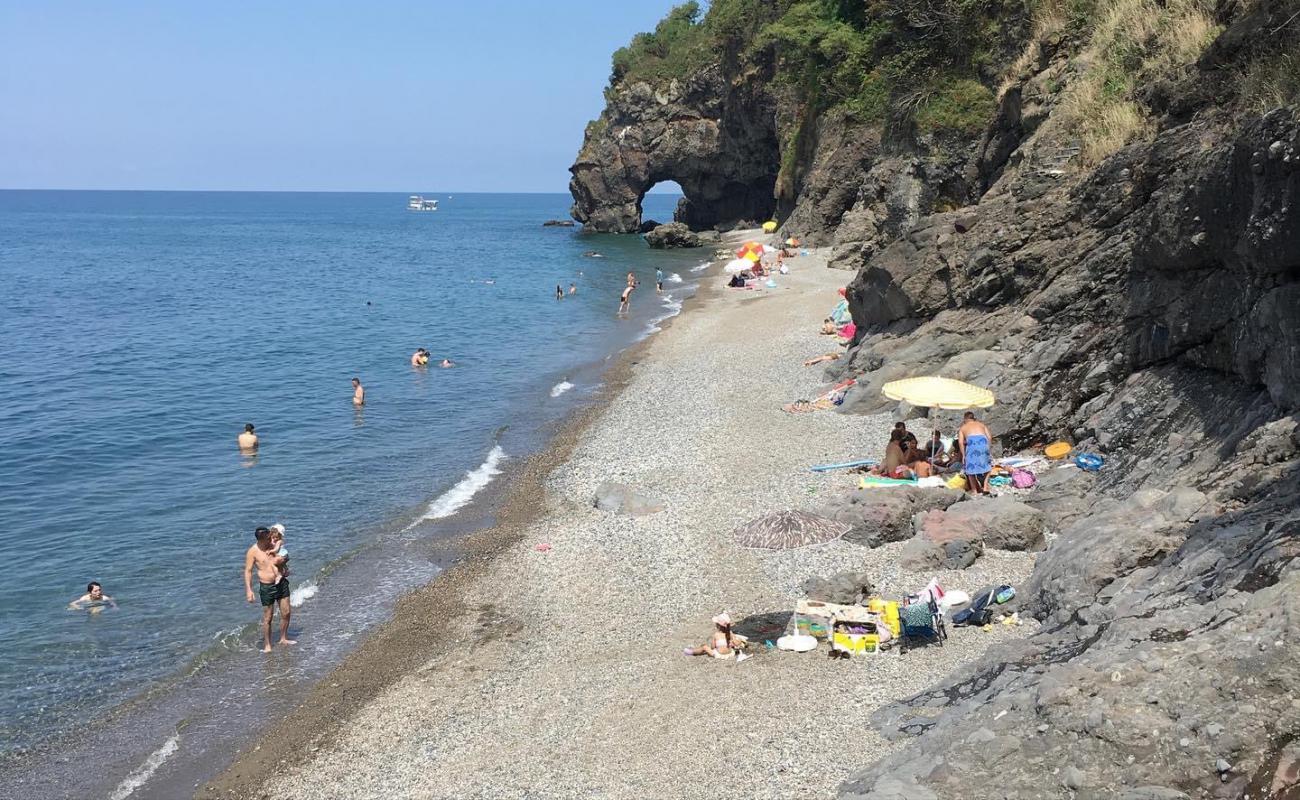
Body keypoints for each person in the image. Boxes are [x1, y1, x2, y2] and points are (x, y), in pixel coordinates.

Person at [244, 526, 295, 653]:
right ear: (261, 539)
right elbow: (248, 571)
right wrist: (249, 590)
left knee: (286, 612)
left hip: (281, 582)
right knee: (268, 618)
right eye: (267, 538)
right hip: (267, 587)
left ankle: (283, 638)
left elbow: (285, 556)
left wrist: (284, 563)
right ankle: (267, 645)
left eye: (270, 537)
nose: (270, 540)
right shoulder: (253, 551)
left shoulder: (273, 544)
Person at [957, 411, 993, 493]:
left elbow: (960, 442)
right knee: (987, 466)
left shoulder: (963, 427)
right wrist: (988, 448)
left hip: (972, 444)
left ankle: (974, 490)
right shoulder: (981, 425)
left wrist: (963, 455)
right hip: (983, 442)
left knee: (970, 468)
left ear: (965, 419)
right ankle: (985, 487)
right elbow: (990, 437)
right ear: (973, 418)